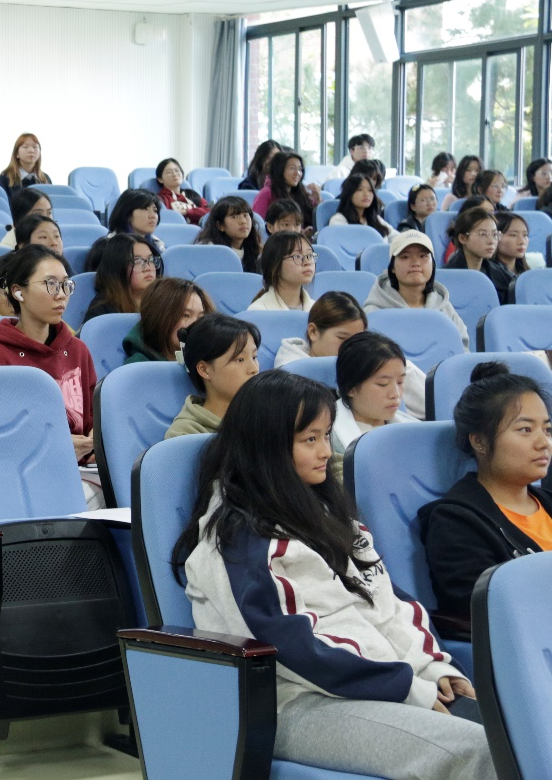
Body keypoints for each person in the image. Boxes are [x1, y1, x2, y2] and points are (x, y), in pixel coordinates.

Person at [173, 370, 492, 780]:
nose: (326, 451)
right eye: (310, 439)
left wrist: (433, 668)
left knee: (520, 733)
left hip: (375, 684)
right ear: (266, 448)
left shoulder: (327, 516)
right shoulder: (238, 541)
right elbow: (295, 651)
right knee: (478, 751)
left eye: (326, 435)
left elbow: (389, 602)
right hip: (294, 702)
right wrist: (406, 686)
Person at [419, 361, 552, 627]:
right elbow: (488, 611)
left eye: (547, 429)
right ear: (479, 440)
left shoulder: (548, 502)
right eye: (525, 430)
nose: (543, 442)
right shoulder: (455, 521)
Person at [0, 245, 101, 508]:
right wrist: (54, 447)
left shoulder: (78, 350)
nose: (61, 295)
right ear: (18, 292)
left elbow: (91, 420)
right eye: (50, 284)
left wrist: (94, 440)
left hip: (79, 472)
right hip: (19, 477)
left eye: (66, 285)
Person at [275, 290, 428, 420]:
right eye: (343, 338)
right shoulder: (291, 372)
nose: (354, 347)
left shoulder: (385, 366)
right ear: (313, 332)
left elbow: (433, 401)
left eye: (359, 339)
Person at [364, 230, 470, 349]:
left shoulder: (444, 307)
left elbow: (461, 348)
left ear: (433, 264)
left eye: (423, 256)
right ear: (392, 267)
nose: (415, 263)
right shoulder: (374, 312)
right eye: (405, 257)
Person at [165, 314, 260, 439]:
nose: (254, 369)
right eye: (240, 359)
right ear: (204, 369)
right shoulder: (184, 434)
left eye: (254, 357)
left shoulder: (262, 416)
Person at [331, 331, 418, 452]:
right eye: (383, 384)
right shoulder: (329, 437)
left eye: (400, 382)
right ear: (350, 387)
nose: (395, 394)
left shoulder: (415, 429)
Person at [122, 277, 213, 364]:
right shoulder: (137, 366)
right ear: (160, 318)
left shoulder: (206, 362)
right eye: (186, 315)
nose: (195, 324)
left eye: (200, 317)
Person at [83, 233, 160, 322]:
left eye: (151, 259)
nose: (148, 268)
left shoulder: (163, 301)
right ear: (118, 267)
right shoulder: (102, 313)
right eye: (138, 261)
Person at [445, 207, 514, 305]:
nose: (491, 241)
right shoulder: (447, 276)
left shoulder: (501, 274)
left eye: (494, 234)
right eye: (483, 234)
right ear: (463, 238)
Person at [249, 231, 316, 312]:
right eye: (297, 256)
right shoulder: (258, 311)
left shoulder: (318, 310)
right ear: (275, 265)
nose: (307, 262)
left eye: (310, 255)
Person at [253, 151, 319, 230]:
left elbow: (317, 222)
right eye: (292, 168)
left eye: (300, 169)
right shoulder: (266, 194)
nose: (297, 173)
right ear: (279, 170)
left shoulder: (302, 193)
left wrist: (318, 200)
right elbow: (258, 227)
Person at [196, 195, 261, 273]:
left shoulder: (256, 249)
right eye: (234, 217)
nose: (243, 221)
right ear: (220, 225)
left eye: (245, 215)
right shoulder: (209, 250)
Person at [107, 189, 166, 256]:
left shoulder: (157, 244)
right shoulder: (111, 246)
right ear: (127, 214)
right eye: (145, 209)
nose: (153, 216)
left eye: (155, 210)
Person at [155, 158, 210, 225]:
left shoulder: (191, 194)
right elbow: (167, 218)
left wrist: (187, 212)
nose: (175, 174)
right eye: (169, 172)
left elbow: (210, 211)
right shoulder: (160, 199)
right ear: (160, 179)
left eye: (177, 170)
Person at [0, 132, 51, 198]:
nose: (31, 150)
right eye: (25, 147)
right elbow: (1, 202)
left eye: (35, 147)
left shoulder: (45, 178)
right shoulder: (6, 177)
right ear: (17, 154)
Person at [494, 210, 544, 275]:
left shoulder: (529, 273)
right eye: (513, 235)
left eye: (525, 235)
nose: (522, 242)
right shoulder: (487, 275)